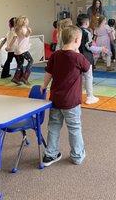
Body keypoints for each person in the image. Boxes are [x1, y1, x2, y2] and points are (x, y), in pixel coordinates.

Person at [41, 26, 90, 167]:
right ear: (76, 40)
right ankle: (77, 155)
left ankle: (50, 154)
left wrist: (44, 86)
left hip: (56, 99)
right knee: (74, 128)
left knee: (54, 127)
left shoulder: (55, 55)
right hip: (71, 102)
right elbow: (87, 69)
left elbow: (48, 73)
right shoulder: (78, 57)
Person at [76, 13, 102, 105]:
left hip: (76, 56)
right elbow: (89, 47)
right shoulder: (87, 33)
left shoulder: (75, 31)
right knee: (88, 77)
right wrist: (101, 49)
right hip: (86, 57)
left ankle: (76, 95)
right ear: (86, 22)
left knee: (78, 77)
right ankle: (90, 96)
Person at [11, 16, 33, 85]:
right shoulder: (23, 28)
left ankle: (15, 78)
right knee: (31, 61)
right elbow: (26, 35)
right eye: (26, 21)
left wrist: (9, 46)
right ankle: (25, 77)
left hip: (18, 49)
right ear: (24, 22)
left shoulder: (16, 28)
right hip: (23, 49)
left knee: (20, 64)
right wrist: (29, 32)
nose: (27, 22)